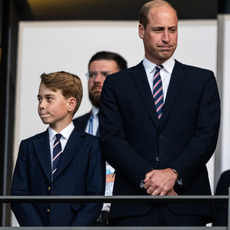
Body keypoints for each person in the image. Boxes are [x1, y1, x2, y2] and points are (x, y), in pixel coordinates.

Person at [99, 0, 220, 227]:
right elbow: (111, 139)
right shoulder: (117, 84)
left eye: (172, 30)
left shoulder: (202, 80)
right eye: (158, 30)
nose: (167, 38)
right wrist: (150, 178)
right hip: (133, 207)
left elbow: (206, 136)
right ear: (141, 30)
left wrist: (173, 173)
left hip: (186, 205)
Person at [11, 71, 105, 226]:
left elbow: (94, 198)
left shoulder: (92, 145)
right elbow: (18, 196)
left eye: (49, 99)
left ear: (71, 104)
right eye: (39, 99)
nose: (41, 105)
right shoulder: (28, 146)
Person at [73, 51, 127, 225]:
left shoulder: (138, 125)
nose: (97, 80)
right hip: (80, 218)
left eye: (105, 74)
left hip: (123, 216)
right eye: (92, 74)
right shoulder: (71, 127)